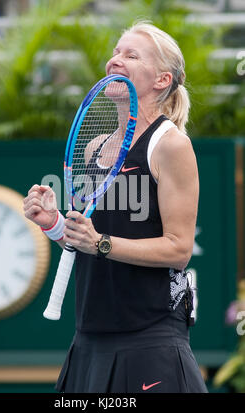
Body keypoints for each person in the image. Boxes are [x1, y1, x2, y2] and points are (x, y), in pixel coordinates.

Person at [23, 21, 208, 393]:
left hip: (150, 340)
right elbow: (84, 240)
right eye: (115, 52)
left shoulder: (171, 146)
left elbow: (178, 249)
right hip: (88, 339)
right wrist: (55, 225)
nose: (114, 61)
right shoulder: (93, 148)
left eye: (131, 55)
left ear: (161, 80)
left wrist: (100, 243)